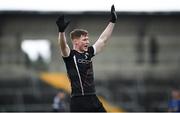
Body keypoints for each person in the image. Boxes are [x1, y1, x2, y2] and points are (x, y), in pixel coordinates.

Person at [56, 5, 117, 112]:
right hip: (79, 101)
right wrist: (61, 32)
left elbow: (103, 40)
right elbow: (63, 45)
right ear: (75, 41)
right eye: (84, 40)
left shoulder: (89, 53)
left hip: (93, 98)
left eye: (87, 40)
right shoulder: (70, 55)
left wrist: (112, 21)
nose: (87, 42)